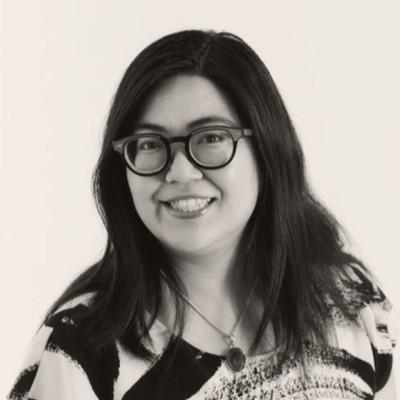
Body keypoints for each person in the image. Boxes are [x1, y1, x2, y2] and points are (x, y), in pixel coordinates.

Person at [8, 30, 397, 400]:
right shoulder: (80, 348)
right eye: (150, 144)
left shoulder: (352, 302)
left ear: (267, 149)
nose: (179, 172)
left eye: (211, 138)